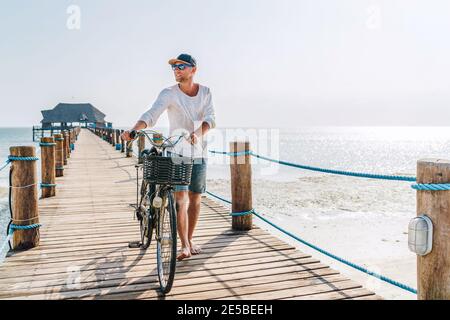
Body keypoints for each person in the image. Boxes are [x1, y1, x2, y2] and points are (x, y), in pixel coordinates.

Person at [121, 53, 216, 261]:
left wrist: (197, 134)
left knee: (195, 198)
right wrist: (133, 130)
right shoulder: (169, 93)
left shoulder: (206, 92)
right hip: (176, 152)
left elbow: (211, 119)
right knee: (180, 199)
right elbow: (151, 115)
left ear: (193, 70)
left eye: (181, 66)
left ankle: (189, 239)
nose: (176, 70)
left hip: (199, 152)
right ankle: (183, 246)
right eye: (174, 67)